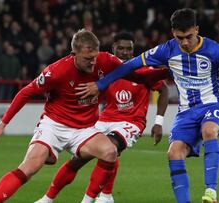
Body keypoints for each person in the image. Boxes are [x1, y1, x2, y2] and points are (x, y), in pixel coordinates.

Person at [75, 9, 219, 203]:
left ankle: (211, 192)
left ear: (197, 29)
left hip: (213, 104)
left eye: (188, 36)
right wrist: (101, 84)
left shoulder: (214, 50)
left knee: (209, 130)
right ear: (173, 34)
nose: (185, 42)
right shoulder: (166, 50)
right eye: (180, 37)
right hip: (186, 111)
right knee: (174, 153)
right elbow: (130, 65)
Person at [0, 29, 124, 203]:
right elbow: (26, 92)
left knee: (109, 152)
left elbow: (131, 69)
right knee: (30, 167)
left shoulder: (105, 60)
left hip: (84, 129)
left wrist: (159, 67)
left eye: (94, 56)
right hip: (54, 125)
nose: (93, 62)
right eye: (87, 58)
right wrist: (3, 123)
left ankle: (93, 200)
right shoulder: (56, 71)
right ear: (73, 54)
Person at [34, 32, 169, 203]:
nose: (125, 52)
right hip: (104, 120)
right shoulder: (103, 68)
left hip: (130, 122)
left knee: (110, 148)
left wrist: (158, 122)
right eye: (121, 48)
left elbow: (163, 89)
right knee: (77, 160)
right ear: (113, 49)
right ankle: (48, 199)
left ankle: (90, 199)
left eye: (129, 49)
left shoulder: (141, 70)